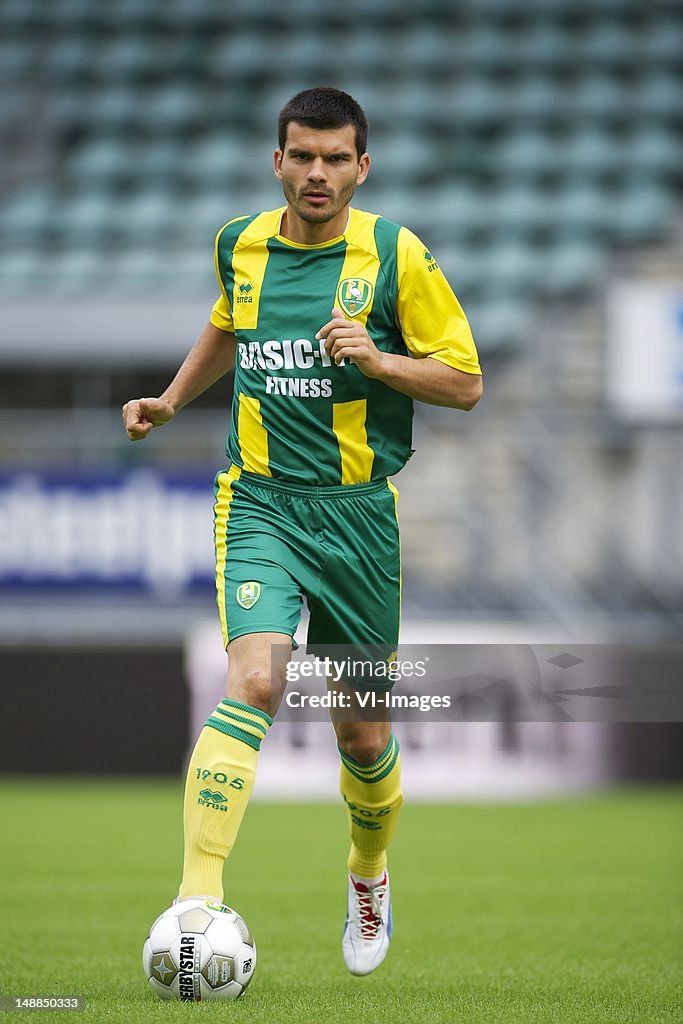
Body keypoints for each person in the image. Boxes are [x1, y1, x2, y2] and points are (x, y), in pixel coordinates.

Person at [122, 86, 482, 977]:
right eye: (301, 156)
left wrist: (376, 356)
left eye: (334, 159)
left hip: (358, 518)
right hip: (261, 503)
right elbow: (227, 326)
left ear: (362, 167)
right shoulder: (237, 245)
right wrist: (171, 399)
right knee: (253, 678)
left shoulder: (395, 255)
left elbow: (465, 381)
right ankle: (197, 893)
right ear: (276, 161)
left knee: (361, 737)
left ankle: (367, 872)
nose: (316, 173)